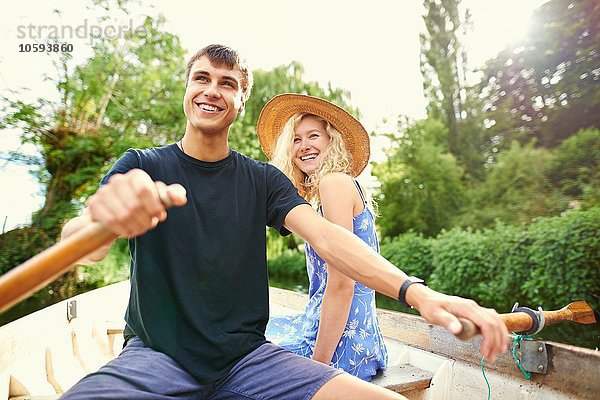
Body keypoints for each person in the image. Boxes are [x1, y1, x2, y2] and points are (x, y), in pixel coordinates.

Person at [59, 44, 508, 400]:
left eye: (227, 83)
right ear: (187, 90)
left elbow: (330, 239)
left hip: (248, 359)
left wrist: (417, 293)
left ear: (240, 101)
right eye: (202, 78)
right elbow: (82, 241)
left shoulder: (262, 180)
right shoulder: (141, 166)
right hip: (157, 358)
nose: (212, 90)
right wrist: (102, 220)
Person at [261, 94, 387, 381]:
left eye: (313, 136)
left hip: (340, 348)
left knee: (239, 352)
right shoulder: (331, 192)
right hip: (359, 338)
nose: (304, 145)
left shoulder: (334, 185)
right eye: (295, 139)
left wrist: (318, 368)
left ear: (332, 141)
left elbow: (343, 284)